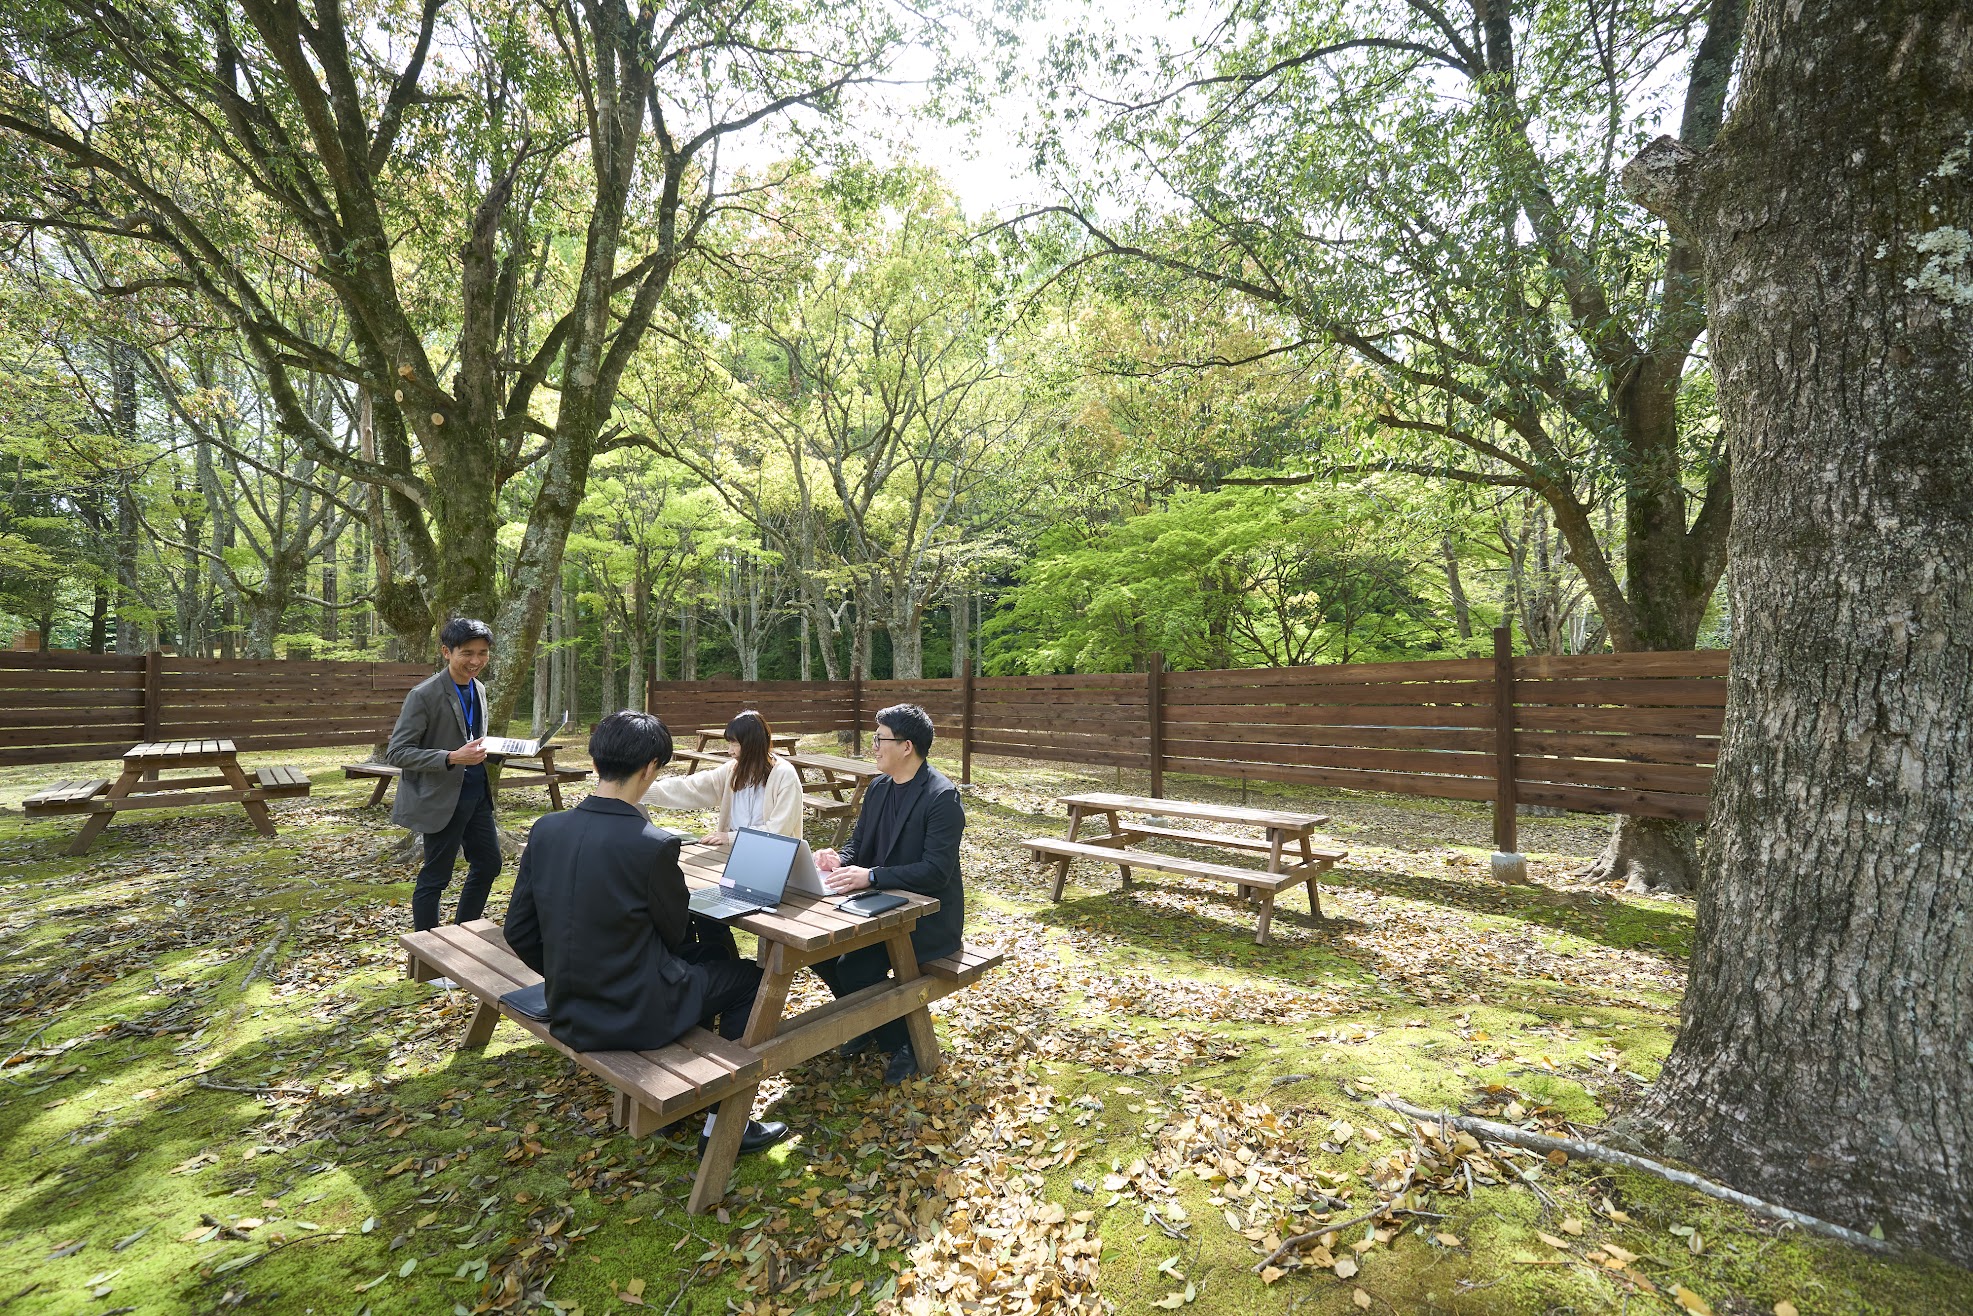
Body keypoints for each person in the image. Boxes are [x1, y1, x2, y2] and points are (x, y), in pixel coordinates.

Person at [504, 711, 789, 1154]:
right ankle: (726, 1120)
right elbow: (674, 933)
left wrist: (570, 974)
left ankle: (700, 1093)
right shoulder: (652, 844)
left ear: (596, 763)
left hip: (568, 1005)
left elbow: (519, 931)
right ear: (651, 767)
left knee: (710, 960)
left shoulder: (546, 829)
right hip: (637, 1012)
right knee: (751, 979)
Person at [812, 703, 965, 1085]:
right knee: (816, 952)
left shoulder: (941, 796)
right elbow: (858, 847)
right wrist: (837, 859)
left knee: (854, 966)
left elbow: (935, 872)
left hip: (928, 918)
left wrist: (872, 876)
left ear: (906, 746)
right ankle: (868, 1020)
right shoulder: (878, 788)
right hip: (877, 906)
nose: (873, 746)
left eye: (879, 739)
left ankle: (907, 1041)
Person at [387, 617, 501, 937]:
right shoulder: (423, 695)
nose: (476, 661)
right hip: (441, 797)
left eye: (483, 653)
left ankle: (464, 934)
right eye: (467, 653)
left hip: (477, 793)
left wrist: (499, 749)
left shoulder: (478, 688)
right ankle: (429, 955)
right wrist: (451, 757)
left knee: (489, 864)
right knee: (436, 877)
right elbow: (396, 753)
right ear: (446, 652)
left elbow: (471, 737)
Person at [640, 709, 804, 843]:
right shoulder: (732, 770)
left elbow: (778, 831)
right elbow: (691, 788)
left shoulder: (784, 776)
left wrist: (729, 837)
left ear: (752, 744)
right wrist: (640, 790)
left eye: (735, 744)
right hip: (732, 854)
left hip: (774, 860)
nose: (730, 751)